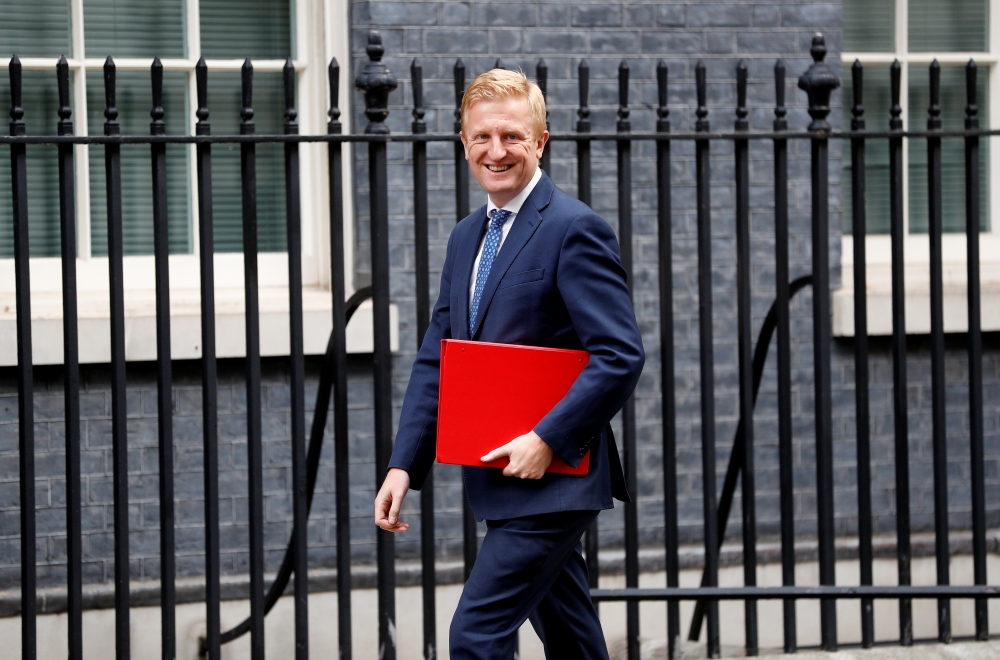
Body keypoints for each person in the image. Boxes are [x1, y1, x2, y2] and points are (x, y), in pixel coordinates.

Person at [373, 68, 644, 659]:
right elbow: (439, 356)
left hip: (555, 482)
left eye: (513, 137)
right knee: (571, 636)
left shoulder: (574, 229)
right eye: (482, 137)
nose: (497, 152)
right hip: (499, 478)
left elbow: (620, 354)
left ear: (540, 140)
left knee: (475, 634)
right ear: (463, 142)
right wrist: (403, 466)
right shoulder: (467, 236)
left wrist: (548, 438)